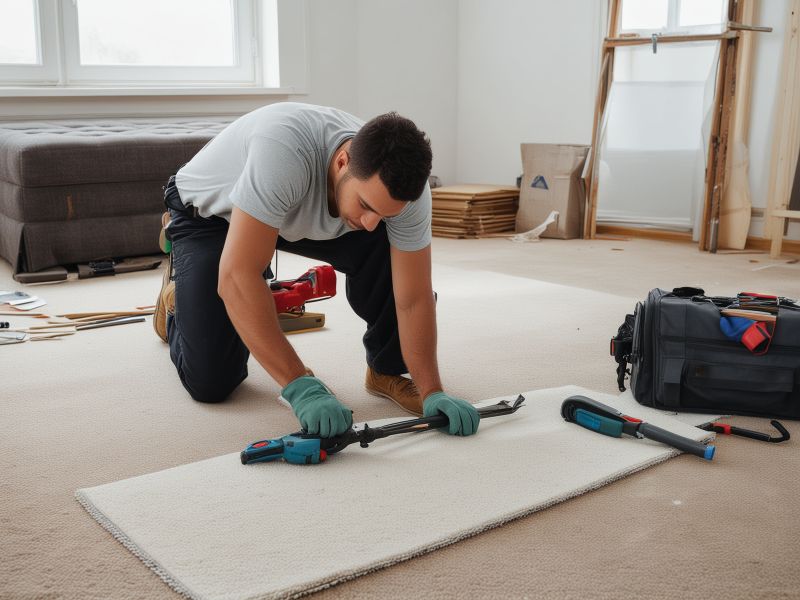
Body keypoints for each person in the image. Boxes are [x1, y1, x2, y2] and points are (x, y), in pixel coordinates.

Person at [154, 102, 478, 438]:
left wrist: (432, 390)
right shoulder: (284, 151)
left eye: (385, 213)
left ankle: (386, 369)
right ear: (342, 162)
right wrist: (300, 385)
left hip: (290, 214)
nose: (370, 223)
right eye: (366, 205)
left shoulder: (407, 194)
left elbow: (413, 298)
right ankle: (177, 301)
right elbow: (238, 277)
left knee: (386, 244)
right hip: (212, 215)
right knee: (212, 382)